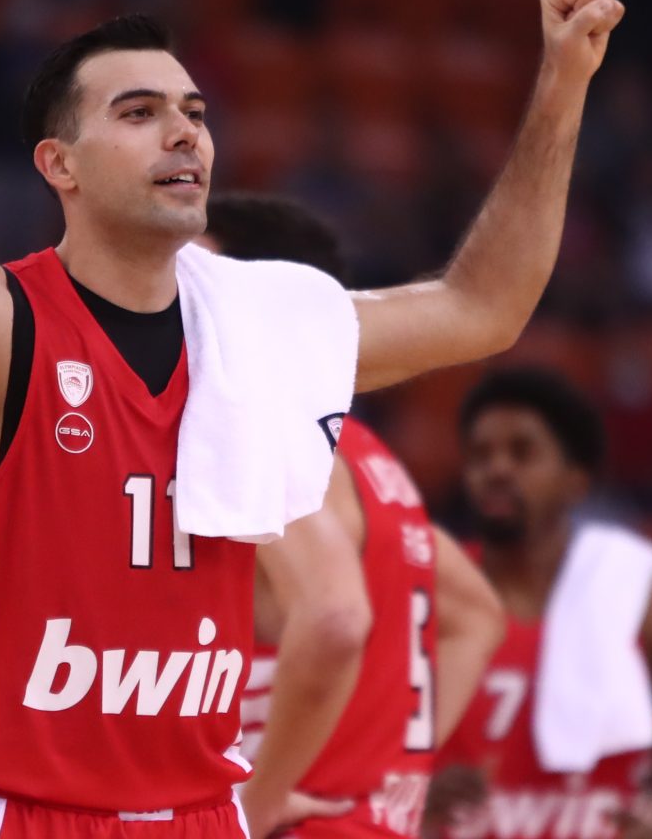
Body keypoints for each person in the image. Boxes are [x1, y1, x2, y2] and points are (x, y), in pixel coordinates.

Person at [0, 0, 622, 838]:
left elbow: (483, 308)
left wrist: (562, 87)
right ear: (59, 164)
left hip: (199, 813)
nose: (184, 132)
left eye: (194, 112)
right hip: (20, 812)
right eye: (139, 113)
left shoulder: (259, 331)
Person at [205, 194, 506, 839]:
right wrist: (396, 761)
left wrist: (257, 803)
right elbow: (476, 616)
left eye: (194, 277)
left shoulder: (262, 439)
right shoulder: (365, 455)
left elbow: (337, 619)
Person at [426, 369, 652, 839]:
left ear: (576, 481)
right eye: (480, 455)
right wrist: (409, 792)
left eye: (522, 452)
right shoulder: (427, 595)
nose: (497, 469)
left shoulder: (645, 601)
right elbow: (349, 773)